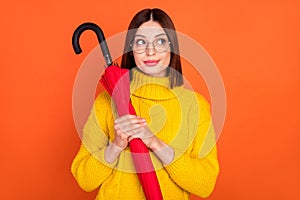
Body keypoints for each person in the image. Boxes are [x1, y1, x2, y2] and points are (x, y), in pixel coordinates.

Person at [71, 8, 219, 200]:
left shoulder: (195, 106)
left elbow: (205, 184)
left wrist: (154, 142)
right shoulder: (107, 101)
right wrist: (116, 145)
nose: (150, 51)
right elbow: (84, 180)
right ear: (131, 49)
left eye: (160, 41)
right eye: (141, 42)